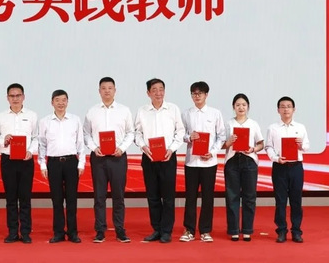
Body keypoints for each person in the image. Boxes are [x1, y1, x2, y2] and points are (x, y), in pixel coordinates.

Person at [84, 77, 134, 243]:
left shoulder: (124, 110)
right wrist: (94, 148)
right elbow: (86, 134)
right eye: (103, 88)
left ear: (115, 90)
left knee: (118, 196)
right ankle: (100, 230)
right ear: (99, 91)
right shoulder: (92, 111)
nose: (107, 91)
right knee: (99, 196)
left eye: (110, 88)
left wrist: (122, 148)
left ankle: (120, 230)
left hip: (118, 158)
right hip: (98, 158)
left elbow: (130, 132)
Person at [134, 78, 185, 243]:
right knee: (153, 195)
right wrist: (143, 146)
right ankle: (156, 229)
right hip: (149, 157)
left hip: (167, 157)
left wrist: (172, 148)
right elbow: (137, 133)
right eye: (154, 90)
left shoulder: (173, 109)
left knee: (168, 196)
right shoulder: (142, 111)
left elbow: (180, 132)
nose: (158, 93)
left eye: (161, 89)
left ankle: (166, 231)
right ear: (148, 93)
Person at [179, 81, 226, 243]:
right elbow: (180, 134)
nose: (197, 96)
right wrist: (188, 137)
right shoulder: (186, 114)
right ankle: (189, 230)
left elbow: (221, 136)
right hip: (191, 162)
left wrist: (212, 152)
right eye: (194, 93)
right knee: (190, 197)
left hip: (209, 162)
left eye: (200, 93)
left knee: (208, 197)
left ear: (207, 95)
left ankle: (205, 230)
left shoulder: (215, 113)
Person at [0, 83, 38, 244]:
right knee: (11, 198)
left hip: (26, 160)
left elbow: (36, 137)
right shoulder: (1, 116)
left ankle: (25, 232)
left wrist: (30, 151)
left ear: (23, 97)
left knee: (25, 198)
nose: (15, 98)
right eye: (12, 96)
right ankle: (12, 232)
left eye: (18, 95)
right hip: (8, 160)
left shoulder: (32, 115)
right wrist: (2, 140)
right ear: (7, 98)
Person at [38, 89, 86, 244]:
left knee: (72, 199)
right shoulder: (45, 121)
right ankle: (58, 232)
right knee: (56, 199)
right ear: (52, 102)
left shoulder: (75, 120)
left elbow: (80, 143)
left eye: (64, 100)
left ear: (67, 102)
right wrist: (42, 165)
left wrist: (81, 163)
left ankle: (73, 232)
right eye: (57, 100)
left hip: (71, 162)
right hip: (53, 163)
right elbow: (42, 145)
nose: (61, 103)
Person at [265, 96, 310, 243]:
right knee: (280, 201)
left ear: (294, 109)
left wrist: (301, 145)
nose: (286, 109)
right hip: (280, 167)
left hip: (296, 167)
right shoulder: (272, 128)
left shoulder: (300, 127)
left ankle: (296, 231)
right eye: (283, 107)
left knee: (296, 200)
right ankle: (281, 230)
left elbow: (307, 146)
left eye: (289, 106)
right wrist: (276, 158)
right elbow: (268, 147)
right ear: (278, 110)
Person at [222, 93, 264, 242]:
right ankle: (234, 230)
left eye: (244, 105)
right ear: (233, 107)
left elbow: (261, 144)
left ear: (248, 107)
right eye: (238, 105)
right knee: (232, 196)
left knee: (249, 197)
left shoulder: (253, 124)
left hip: (249, 161)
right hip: (232, 161)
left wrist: (253, 149)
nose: (241, 107)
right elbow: (221, 145)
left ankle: (247, 230)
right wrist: (229, 142)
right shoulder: (228, 124)